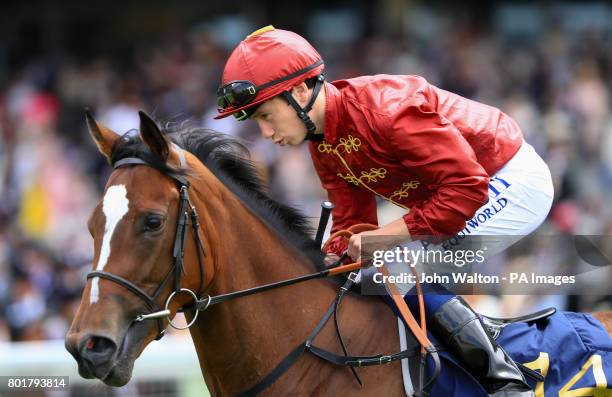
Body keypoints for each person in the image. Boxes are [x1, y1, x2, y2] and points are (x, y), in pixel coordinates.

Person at [215, 25, 553, 397]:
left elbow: (465, 189)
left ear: (298, 91)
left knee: (398, 265)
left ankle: (505, 381)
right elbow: (352, 222)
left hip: (509, 180)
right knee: (366, 277)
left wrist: (387, 237)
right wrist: (324, 261)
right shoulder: (323, 143)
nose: (265, 133)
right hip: (464, 192)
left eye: (265, 116)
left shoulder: (387, 112)